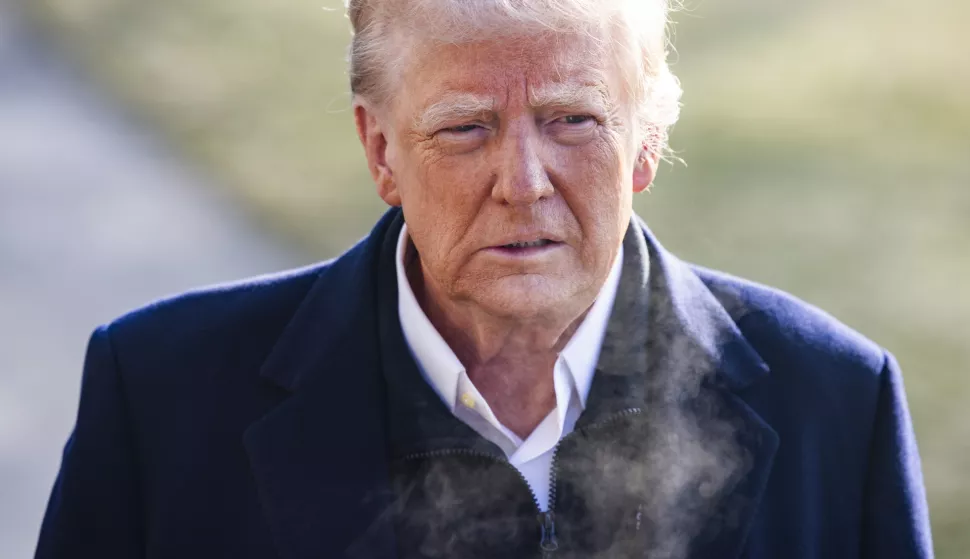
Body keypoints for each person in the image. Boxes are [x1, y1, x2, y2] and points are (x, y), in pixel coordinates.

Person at [35, 0, 933, 557]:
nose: (524, 180)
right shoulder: (162, 396)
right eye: (465, 128)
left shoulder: (835, 402)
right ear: (381, 149)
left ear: (646, 143)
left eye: (573, 119)